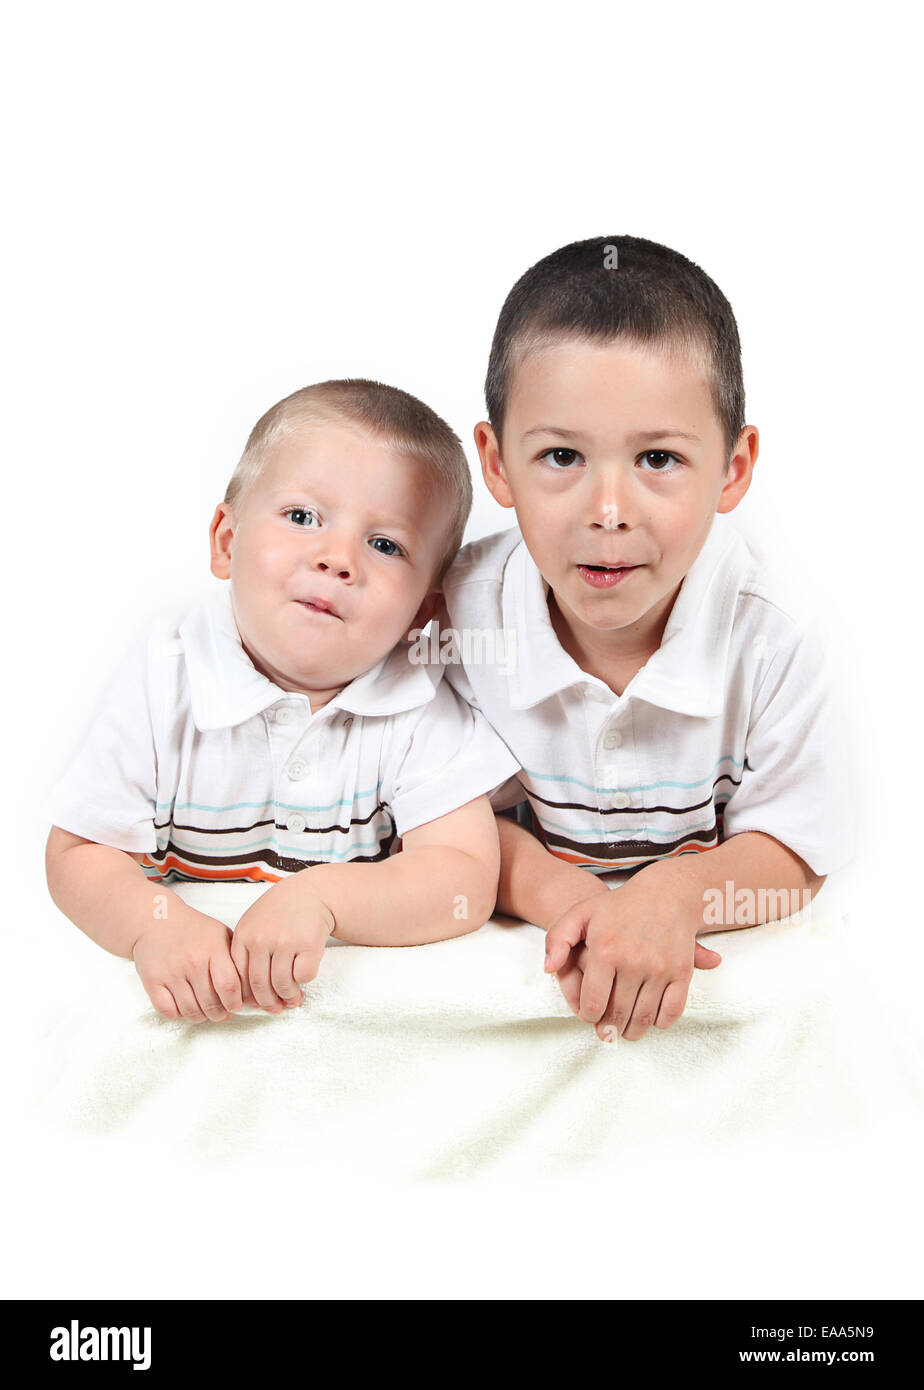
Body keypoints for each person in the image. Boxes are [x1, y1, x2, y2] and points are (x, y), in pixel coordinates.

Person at [440, 235, 853, 1043]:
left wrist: (677, 894)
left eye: (658, 458)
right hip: (521, 1006)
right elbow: (442, 818)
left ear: (733, 469)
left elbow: (797, 854)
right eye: (561, 455)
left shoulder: (773, 634)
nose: (608, 511)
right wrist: (573, 899)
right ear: (495, 463)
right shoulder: (454, 621)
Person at [45, 379, 519, 1023]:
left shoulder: (419, 700)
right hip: (195, 1011)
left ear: (424, 612)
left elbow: (464, 876)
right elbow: (80, 852)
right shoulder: (169, 672)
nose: (336, 558)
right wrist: (152, 925)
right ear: (226, 540)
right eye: (302, 517)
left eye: (386, 545)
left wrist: (324, 899)